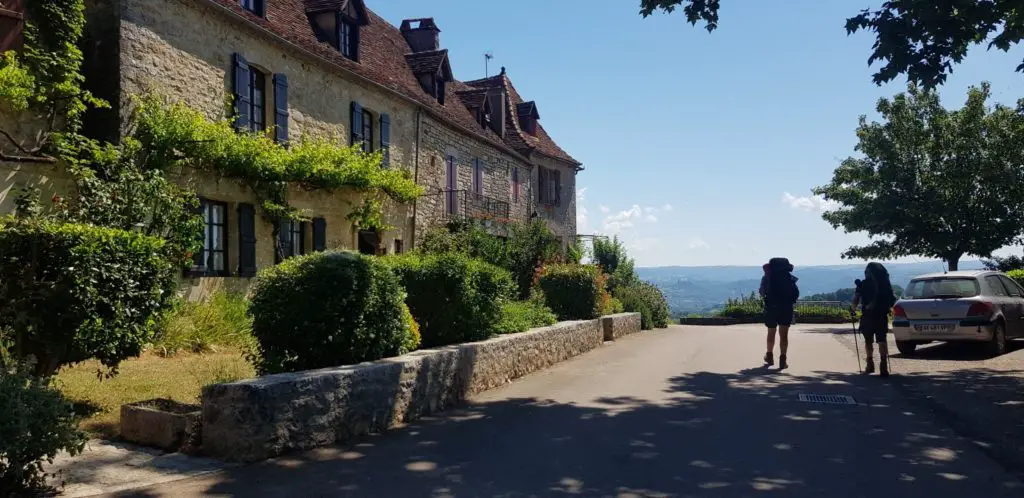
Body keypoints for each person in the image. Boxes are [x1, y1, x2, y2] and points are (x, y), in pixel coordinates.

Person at [851, 262, 897, 376]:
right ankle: (883, 365)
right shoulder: (885, 285)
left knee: (868, 341)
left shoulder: (863, 284)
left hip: (867, 316)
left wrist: (853, 310)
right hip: (881, 316)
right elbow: (892, 302)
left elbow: (855, 300)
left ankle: (870, 364)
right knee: (882, 340)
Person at [763, 258, 799, 369]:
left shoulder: (768, 278)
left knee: (771, 332)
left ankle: (769, 356)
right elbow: (796, 294)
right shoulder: (790, 278)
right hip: (786, 308)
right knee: (784, 335)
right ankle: (783, 360)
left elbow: (762, 292)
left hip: (771, 307)